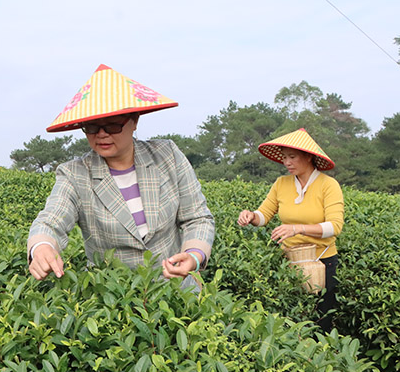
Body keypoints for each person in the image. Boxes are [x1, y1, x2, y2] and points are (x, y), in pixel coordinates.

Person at [27, 64, 215, 290]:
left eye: (113, 125)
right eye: (92, 127)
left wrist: (194, 255)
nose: (102, 134)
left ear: (134, 121)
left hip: (178, 288)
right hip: (113, 298)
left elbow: (197, 218)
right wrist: (42, 246)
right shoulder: (75, 174)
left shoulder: (167, 156)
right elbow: (50, 220)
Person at [237, 128, 343, 332]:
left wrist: (297, 229)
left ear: (309, 157)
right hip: (290, 261)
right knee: (292, 320)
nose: (287, 162)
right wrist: (250, 216)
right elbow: (264, 215)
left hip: (322, 261)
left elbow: (334, 226)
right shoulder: (281, 184)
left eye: (292, 157)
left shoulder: (328, 185)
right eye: (284, 157)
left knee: (321, 321)